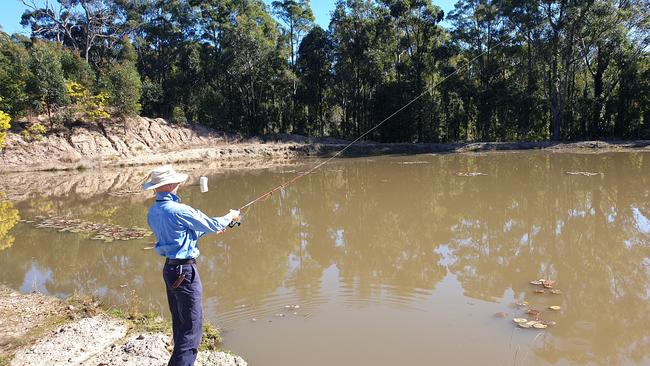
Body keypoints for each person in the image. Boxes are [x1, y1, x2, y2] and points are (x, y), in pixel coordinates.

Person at [143, 165, 240, 366]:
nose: (179, 183)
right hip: (185, 272)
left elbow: (180, 236)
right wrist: (230, 217)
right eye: (176, 181)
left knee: (180, 323)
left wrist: (207, 230)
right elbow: (212, 225)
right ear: (170, 185)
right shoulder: (179, 209)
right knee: (192, 329)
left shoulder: (154, 211)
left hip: (170, 270)